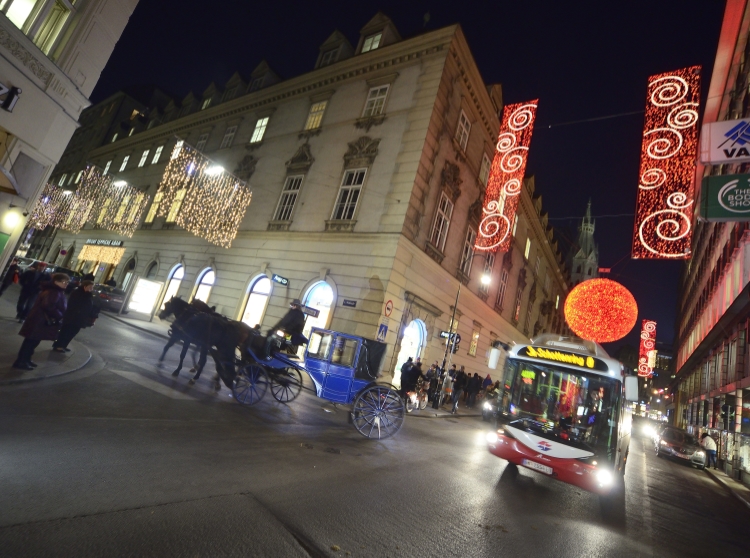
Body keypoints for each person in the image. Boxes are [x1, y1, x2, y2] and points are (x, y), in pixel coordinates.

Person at [13, 273, 69, 370]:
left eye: (67, 282)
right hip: (40, 321)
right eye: (63, 282)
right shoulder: (54, 291)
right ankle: (21, 361)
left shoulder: (55, 290)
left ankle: (26, 359)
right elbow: (48, 306)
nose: (66, 284)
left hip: (39, 320)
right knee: (30, 342)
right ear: (56, 282)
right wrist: (59, 316)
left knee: (33, 341)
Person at [53, 280, 98, 352]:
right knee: (66, 332)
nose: (91, 289)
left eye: (92, 287)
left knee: (73, 332)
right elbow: (76, 304)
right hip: (73, 317)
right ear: (85, 286)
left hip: (80, 318)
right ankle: (59, 345)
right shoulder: (78, 293)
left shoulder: (87, 294)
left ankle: (64, 345)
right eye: (90, 287)